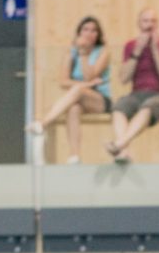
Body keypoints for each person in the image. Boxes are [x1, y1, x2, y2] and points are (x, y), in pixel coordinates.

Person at [26, 16, 111, 163]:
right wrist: (84, 85)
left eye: (93, 30)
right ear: (79, 33)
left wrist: (84, 55)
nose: (89, 34)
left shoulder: (103, 52)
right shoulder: (71, 53)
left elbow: (91, 76)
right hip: (79, 97)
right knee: (73, 108)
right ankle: (74, 155)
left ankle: (43, 123)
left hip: (100, 99)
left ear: (98, 34)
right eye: (85, 29)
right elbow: (63, 81)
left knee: (77, 90)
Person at [104, 8, 159, 164]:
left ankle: (119, 144)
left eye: (153, 21)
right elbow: (123, 78)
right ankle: (123, 152)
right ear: (139, 24)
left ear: (158, 24)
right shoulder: (130, 46)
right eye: (146, 21)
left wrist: (156, 50)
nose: (149, 25)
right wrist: (137, 51)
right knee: (119, 107)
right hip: (136, 94)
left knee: (148, 107)